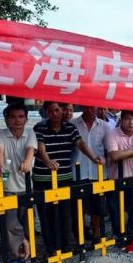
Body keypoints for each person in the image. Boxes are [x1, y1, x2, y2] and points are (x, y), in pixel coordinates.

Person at [32, 101, 103, 255]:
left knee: (65, 213)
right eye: (51, 111)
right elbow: (40, 147)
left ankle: (65, 246)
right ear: (46, 113)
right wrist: (47, 162)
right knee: (46, 214)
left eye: (58, 110)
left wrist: (93, 157)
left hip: (64, 177)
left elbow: (80, 144)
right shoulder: (40, 127)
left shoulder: (70, 127)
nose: (55, 114)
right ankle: (50, 247)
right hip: (43, 178)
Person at [0, 103, 37, 263]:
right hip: (7, 187)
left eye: (21, 116)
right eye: (12, 117)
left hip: (26, 186)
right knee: (10, 223)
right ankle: (19, 251)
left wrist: (26, 161)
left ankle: (29, 253)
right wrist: (0, 164)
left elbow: (30, 150)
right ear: (6, 119)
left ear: (26, 118)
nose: (17, 120)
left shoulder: (30, 132)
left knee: (27, 221)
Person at [105, 110, 133, 238]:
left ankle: (131, 235)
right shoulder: (112, 134)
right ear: (122, 120)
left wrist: (127, 152)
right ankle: (118, 235)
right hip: (114, 177)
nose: (131, 122)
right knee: (115, 209)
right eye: (128, 119)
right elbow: (114, 155)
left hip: (132, 176)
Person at [70, 105, 108, 242]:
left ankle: (96, 232)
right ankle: (81, 234)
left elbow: (108, 148)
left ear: (97, 108)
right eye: (86, 108)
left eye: (92, 108)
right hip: (77, 170)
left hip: (97, 171)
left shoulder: (104, 126)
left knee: (97, 205)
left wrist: (105, 159)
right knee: (78, 206)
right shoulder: (72, 124)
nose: (89, 111)